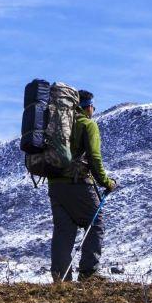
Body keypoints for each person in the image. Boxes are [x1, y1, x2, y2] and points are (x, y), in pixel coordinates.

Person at [48, 89, 117, 283]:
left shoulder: (56, 125)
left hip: (55, 186)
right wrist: (107, 182)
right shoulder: (87, 124)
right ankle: (88, 274)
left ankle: (60, 278)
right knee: (96, 223)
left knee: (63, 231)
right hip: (78, 184)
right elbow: (95, 158)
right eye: (93, 107)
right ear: (88, 107)